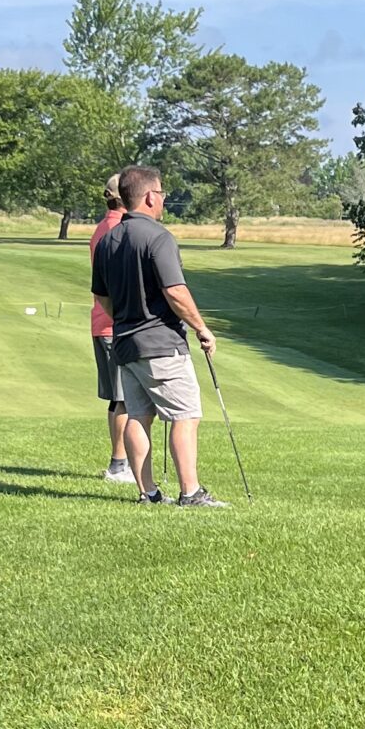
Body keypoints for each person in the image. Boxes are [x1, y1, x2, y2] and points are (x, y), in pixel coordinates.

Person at [89, 164, 227, 508]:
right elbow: (175, 291)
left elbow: (102, 297)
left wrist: (126, 318)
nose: (163, 199)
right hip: (161, 343)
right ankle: (190, 492)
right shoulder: (158, 237)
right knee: (185, 415)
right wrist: (202, 328)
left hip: (125, 343)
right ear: (150, 197)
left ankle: (148, 493)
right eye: (162, 193)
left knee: (138, 415)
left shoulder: (107, 240)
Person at [87, 175, 133, 483]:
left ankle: (122, 462)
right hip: (113, 324)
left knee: (121, 398)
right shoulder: (116, 230)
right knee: (123, 398)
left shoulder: (105, 226)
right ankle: (118, 464)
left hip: (106, 324)